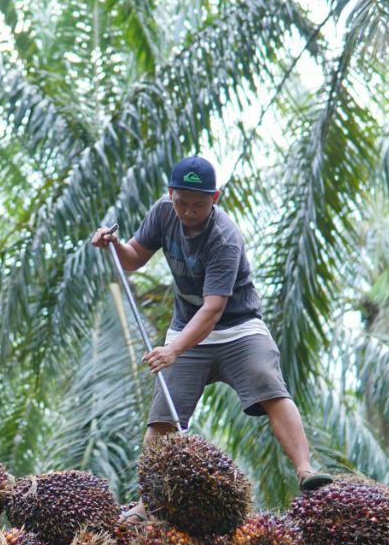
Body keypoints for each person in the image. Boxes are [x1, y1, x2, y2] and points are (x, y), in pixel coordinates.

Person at [90, 156, 332, 508]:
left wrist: (173, 350)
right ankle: (147, 503)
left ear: (215, 198)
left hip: (237, 327)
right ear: (170, 193)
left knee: (267, 380)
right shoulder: (162, 213)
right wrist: (113, 246)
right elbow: (133, 259)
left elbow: (213, 309)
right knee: (163, 416)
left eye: (198, 205)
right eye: (182, 202)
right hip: (187, 326)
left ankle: (305, 470)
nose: (188, 211)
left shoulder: (224, 237)